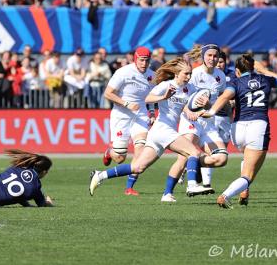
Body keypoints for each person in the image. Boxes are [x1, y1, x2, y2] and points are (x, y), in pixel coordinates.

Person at [89, 57, 212, 198]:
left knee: (137, 167)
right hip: (163, 129)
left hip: (159, 133)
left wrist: (205, 106)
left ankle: (100, 175)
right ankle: (192, 185)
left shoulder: (190, 89)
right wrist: (163, 97)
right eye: (186, 73)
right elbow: (147, 99)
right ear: (176, 73)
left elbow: (196, 105)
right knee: (193, 152)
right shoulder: (167, 85)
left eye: (190, 73)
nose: (189, 77)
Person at [202, 54, 277, 209]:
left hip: (238, 129)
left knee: (248, 160)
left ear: (237, 71)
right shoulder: (266, 79)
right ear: (254, 67)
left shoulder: (235, 81)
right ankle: (226, 195)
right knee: (249, 173)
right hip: (258, 126)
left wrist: (212, 111)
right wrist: (264, 70)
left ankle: (243, 192)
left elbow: (224, 97)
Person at [161, 44, 229, 203]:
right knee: (184, 156)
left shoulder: (221, 76)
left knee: (221, 158)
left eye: (215, 56)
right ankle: (167, 193)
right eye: (209, 55)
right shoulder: (194, 74)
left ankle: (193, 164)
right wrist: (188, 111)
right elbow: (181, 96)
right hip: (191, 121)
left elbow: (218, 100)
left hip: (209, 123)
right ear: (203, 56)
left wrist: (220, 105)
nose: (212, 59)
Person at [100, 47, 155, 196]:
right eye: (141, 60)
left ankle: (129, 187)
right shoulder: (123, 72)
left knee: (141, 151)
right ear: (135, 59)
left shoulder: (152, 76)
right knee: (119, 158)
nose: (144, 63)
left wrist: (151, 113)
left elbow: (151, 97)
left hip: (141, 116)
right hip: (122, 115)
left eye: (147, 60)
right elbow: (108, 93)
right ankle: (109, 153)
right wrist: (126, 103)